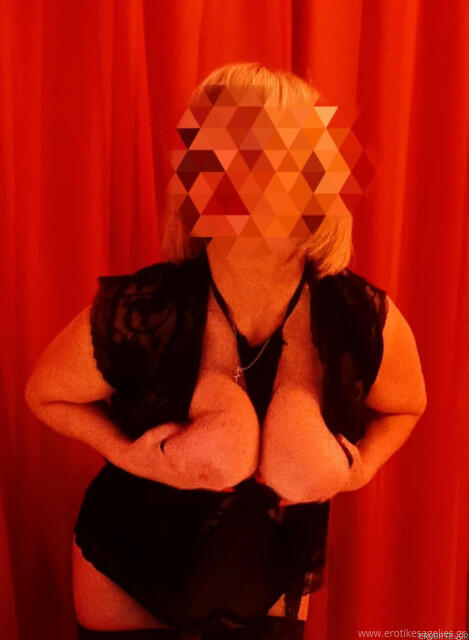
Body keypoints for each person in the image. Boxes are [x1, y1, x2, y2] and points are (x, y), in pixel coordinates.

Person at [24, 63, 427, 640]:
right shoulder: (145, 309)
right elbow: (46, 393)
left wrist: (362, 469)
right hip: (125, 570)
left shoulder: (361, 318)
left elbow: (407, 405)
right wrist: (130, 456)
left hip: (268, 582)